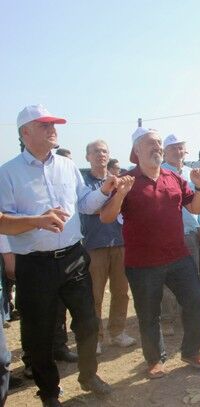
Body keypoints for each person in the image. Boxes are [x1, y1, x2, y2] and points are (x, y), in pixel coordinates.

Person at [0, 105, 114, 405]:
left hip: (73, 258)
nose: (53, 130)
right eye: (45, 125)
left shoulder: (67, 165)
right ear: (26, 132)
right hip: (34, 265)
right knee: (39, 334)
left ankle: (88, 375)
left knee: (88, 322)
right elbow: (2, 222)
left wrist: (105, 190)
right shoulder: (8, 173)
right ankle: (49, 392)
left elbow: (85, 204)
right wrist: (37, 220)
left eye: (54, 124)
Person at [100, 127, 200, 379]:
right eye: (151, 143)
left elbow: (196, 207)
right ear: (137, 150)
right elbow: (106, 217)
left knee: (195, 301)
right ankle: (155, 359)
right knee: (149, 314)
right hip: (142, 263)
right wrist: (120, 195)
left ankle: (191, 351)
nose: (157, 147)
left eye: (159, 142)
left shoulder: (174, 178)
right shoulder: (126, 180)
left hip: (178, 256)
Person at [0, 210, 72, 407]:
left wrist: (37, 221)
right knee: (32, 317)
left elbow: (2, 222)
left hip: (52, 256)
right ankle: (32, 363)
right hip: (29, 259)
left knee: (2, 361)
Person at [81, 140, 136, 354]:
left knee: (121, 292)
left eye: (104, 151)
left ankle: (117, 332)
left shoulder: (118, 180)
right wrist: (112, 204)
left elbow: (123, 207)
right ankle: (96, 337)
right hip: (94, 245)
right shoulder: (83, 182)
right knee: (95, 295)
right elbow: (86, 207)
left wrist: (110, 205)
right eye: (95, 151)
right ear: (87, 156)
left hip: (120, 242)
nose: (100, 154)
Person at [160, 134, 200, 334]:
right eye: (172, 148)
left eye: (180, 147)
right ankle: (167, 319)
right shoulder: (159, 173)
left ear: (186, 150)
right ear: (164, 152)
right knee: (167, 279)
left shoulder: (193, 173)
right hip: (168, 234)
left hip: (191, 233)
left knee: (191, 276)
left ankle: (188, 315)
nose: (177, 151)